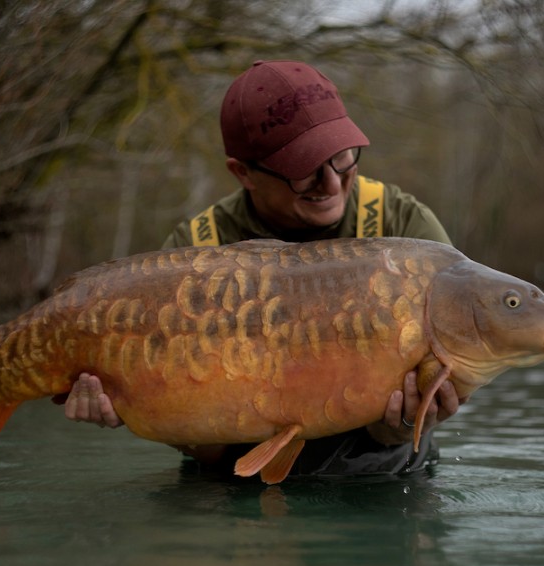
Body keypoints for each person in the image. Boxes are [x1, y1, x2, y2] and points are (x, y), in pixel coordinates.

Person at [60, 60, 467, 477]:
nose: (330, 184)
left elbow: (453, 369)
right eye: (304, 169)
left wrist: (400, 427)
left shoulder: (407, 235)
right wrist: (132, 405)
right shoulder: (194, 254)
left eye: (341, 156)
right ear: (243, 173)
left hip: (385, 474)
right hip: (231, 475)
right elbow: (190, 432)